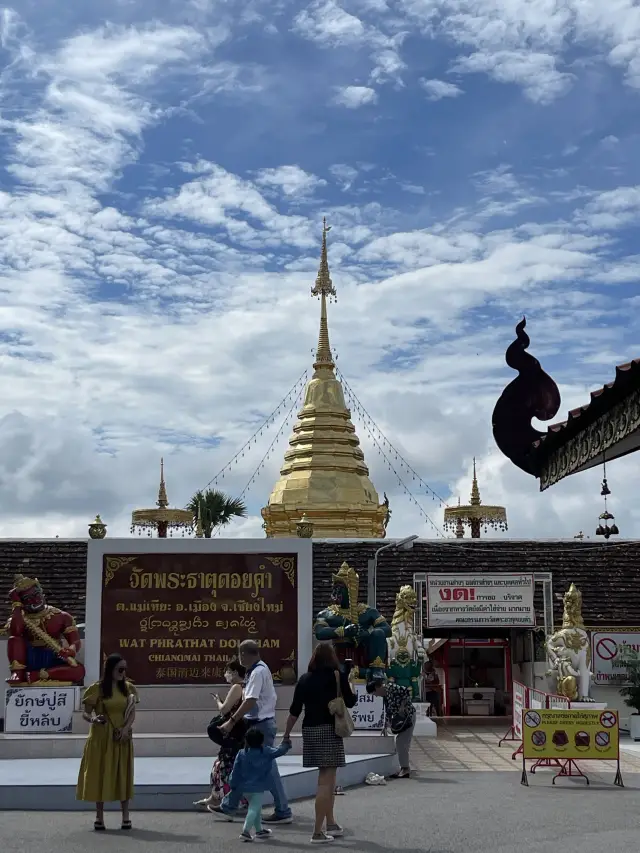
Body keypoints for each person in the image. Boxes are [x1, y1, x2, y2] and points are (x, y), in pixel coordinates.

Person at [283, 642, 356, 845]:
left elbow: (294, 710)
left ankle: (330, 822)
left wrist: (286, 734)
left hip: (310, 730)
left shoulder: (304, 679)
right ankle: (317, 831)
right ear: (332, 657)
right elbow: (350, 702)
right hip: (329, 730)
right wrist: (348, 683)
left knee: (329, 778)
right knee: (326, 779)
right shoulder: (336, 676)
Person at [212, 639, 293, 825]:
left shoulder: (258, 672)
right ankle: (230, 806)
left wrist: (231, 722)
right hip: (258, 726)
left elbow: (250, 701)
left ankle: (281, 810)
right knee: (249, 767)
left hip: (260, 727)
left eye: (240, 654)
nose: (239, 658)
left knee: (258, 769)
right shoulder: (258, 670)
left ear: (245, 654)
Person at [76, 653, 139, 830]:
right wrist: (93, 720)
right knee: (100, 773)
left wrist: (126, 729)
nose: (123, 672)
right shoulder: (96, 689)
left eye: (125, 669)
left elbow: (132, 712)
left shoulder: (129, 689)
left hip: (122, 737)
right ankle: (99, 817)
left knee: (123, 773)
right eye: (120, 669)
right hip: (101, 737)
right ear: (110, 669)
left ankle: (126, 816)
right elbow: (86, 713)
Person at [194, 658, 247, 809]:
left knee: (224, 765)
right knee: (221, 764)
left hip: (232, 733)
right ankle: (215, 798)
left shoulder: (237, 687)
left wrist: (217, 701)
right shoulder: (245, 686)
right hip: (237, 733)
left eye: (228, 671)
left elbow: (224, 710)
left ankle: (229, 802)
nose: (226, 675)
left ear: (235, 672)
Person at [229, 727, 292, 842]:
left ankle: (259, 830)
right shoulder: (266, 752)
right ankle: (245, 831)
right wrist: (286, 744)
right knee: (254, 808)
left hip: (244, 787)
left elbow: (235, 770)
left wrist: (233, 783)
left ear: (246, 741)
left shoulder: (242, 753)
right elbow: (279, 751)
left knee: (256, 808)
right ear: (262, 741)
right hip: (258, 787)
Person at [367, 676, 415, 779]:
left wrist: (403, 706)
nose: (376, 696)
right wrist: (385, 725)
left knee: (401, 742)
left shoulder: (391, 687)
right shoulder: (385, 696)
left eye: (374, 693)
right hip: (401, 719)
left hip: (408, 716)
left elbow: (406, 691)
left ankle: (405, 768)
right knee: (402, 742)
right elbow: (388, 711)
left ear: (377, 688)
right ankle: (403, 767)